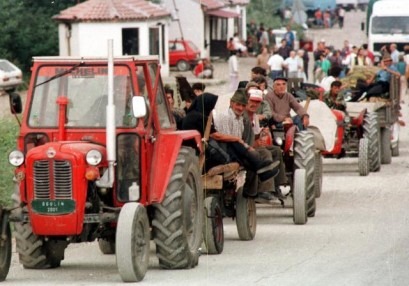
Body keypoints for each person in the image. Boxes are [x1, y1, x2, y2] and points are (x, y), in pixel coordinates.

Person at [215, 89, 279, 201]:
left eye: (243, 105)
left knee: (255, 155)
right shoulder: (225, 116)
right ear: (231, 103)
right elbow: (227, 139)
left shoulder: (240, 119)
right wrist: (247, 147)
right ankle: (259, 175)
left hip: (235, 149)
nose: (240, 108)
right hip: (224, 151)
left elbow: (239, 140)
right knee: (253, 156)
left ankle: (252, 188)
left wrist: (247, 146)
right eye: (238, 104)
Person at [242, 88, 285, 202]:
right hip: (243, 148)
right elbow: (242, 138)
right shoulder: (243, 116)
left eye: (257, 102)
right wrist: (255, 143)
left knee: (276, 150)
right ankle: (264, 190)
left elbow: (255, 136)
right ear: (246, 101)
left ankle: (276, 185)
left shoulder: (255, 117)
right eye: (252, 101)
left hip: (252, 145)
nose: (254, 104)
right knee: (265, 152)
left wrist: (261, 134)